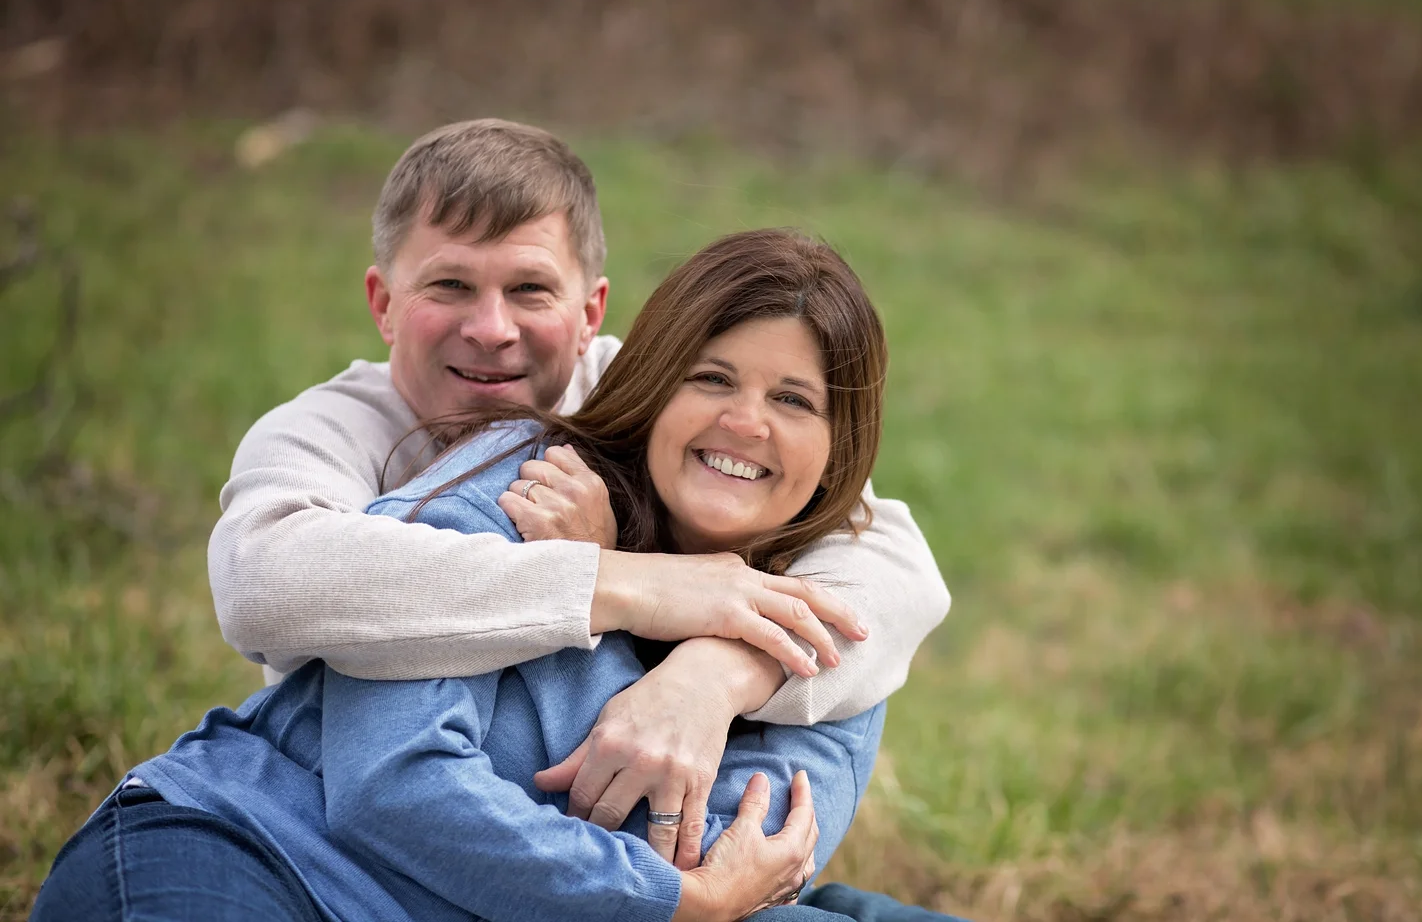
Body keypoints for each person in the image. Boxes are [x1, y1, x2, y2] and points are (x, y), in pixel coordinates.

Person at [31, 229, 958, 922]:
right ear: (645, 380)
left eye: (793, 400)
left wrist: (700, 663)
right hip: (259, 860)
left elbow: (728, 860)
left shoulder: (830, 616)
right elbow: (391, 781)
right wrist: (600, 576)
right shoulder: (524, 481)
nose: (746, 424)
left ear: (841, 451)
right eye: (711, 379)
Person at [205, 118, 950, 864]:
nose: (491, 328)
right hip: (336, 815)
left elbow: (892, 561)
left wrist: (721, 671)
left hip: (561, 840)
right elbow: (262, 584)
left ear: (591, 311)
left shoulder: (646, 396)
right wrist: (625, 580)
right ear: (384, 303)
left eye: (530, 290)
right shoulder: (328, 431)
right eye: (450, 285)